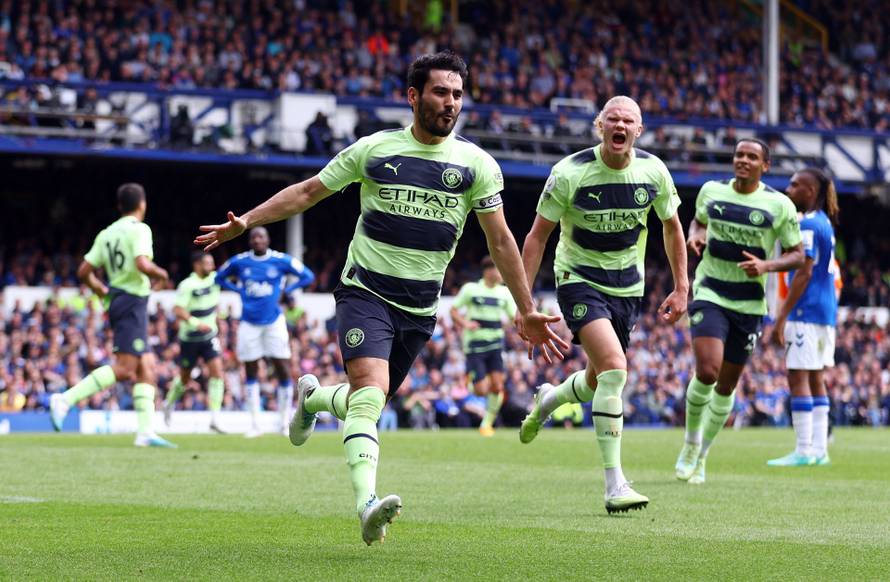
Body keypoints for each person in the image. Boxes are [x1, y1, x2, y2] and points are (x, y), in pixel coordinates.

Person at [195, 51, 568, 546]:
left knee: (361, 402)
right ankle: (367, 505)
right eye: (440, 92)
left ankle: (313, 398)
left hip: (420, 308)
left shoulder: (477, 164)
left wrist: (525, 307)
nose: (450, 103)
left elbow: (500, 239)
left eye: (457, 94)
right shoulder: (374, 150)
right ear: (413, 96)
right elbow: (308, 192)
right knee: (370, 394)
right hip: (365, 291)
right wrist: (247, 222)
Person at [519, 95, 689, 514]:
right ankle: (615, 484)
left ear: (638, 130)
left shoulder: (653, 171)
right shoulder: (570, 173)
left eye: (628, 120)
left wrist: (682, 286)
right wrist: (523, 305)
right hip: (578, 280)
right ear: (599, 126)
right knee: (615, 369)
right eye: (612, 118)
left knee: (597, 382)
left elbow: (672, 227)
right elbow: (537, 236)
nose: (620, 125)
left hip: (628, 287)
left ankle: (549, 400)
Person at [675, 139, 804, 484]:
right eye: (739, 155)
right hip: (711, 291)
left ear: (765, 165)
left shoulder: (779, 205)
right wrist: (695, 237)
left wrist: (766, 265)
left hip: (749, 303)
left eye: (752, 157)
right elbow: (698, 223)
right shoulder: (710, 191)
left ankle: (702, 456)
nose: (743, 160)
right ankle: (690, 443)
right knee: (707, 370)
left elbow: (797, 254)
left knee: (727, 386)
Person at [49, 183, 175, 448]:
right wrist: (161, 274)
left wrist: (101, 290)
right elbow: (142, 263)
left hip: (121, 300)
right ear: (142, 204)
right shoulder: (140, 229)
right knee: (126, 368)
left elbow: (84, 271)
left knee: (146, 367)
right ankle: (66, 399)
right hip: (131, 302)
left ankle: (145, 432)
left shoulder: (107, 233)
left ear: (120, 206)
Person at [767, 168, 840, 466]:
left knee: (798, 376)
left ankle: (804, 450)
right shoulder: (824, 222)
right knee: (816, 377)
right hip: (826, 312)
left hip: (805, 311)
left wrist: (781, 317)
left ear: (810, 191)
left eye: (795, 184)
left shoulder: (808, 225)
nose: (788, 189)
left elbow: (804, 272)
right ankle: (819, 450)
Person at [215, 227, 315, 438]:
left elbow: (307, 275)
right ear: (250, 241)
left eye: (261, 236)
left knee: (283, 369)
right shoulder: (240, 262)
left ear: (268, 240)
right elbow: (219, 277)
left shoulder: (280, 260)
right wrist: (236, 289)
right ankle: (255, 424)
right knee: (250, 370)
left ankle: (283, 422)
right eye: (254, 237)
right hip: (248, 324)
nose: (258, 239)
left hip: (274, 323)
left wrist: (286, 291)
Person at [450, 255, 517, 436]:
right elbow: (453, 310)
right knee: (480, 391)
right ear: (488, 271)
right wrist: (465, 324)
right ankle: (471, 385)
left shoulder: (504, 293)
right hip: (474, 345)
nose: (502, 273)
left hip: (495, 344)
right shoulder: (471, 289)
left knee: (497, 386)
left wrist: (520, 327)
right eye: (498, 269)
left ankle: (486, 424)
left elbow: (514, 317)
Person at [162, 251, 226, 433]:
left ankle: (215, 417)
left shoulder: (216, 279)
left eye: (212, 263)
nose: (211, 266)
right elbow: (177, 309)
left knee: (217, 373)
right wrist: (195, 323)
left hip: (209, 337)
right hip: (189, 338)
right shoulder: (187, 285)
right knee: (184, 378)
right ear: (197, 265)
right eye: (207, 263)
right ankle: (168, 403)